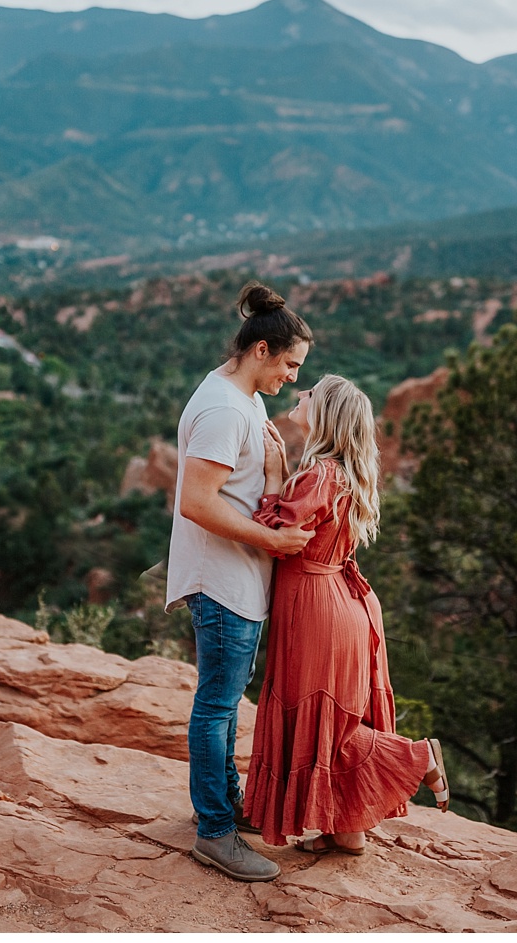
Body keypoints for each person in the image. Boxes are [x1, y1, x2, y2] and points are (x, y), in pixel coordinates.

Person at [244, 374, 449, 857]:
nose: (299, 394)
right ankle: (346, 828)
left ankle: (420, 757)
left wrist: (274, 478)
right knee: (332, 717)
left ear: (326, 414)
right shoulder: (343, 473)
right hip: (341, 601)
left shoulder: (319, 474)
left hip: (317, 609)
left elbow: (273, 533)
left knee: (324, 721)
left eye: (310, 393)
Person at [168, 281, 315, 883]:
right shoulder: (226, 409)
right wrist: (274, 542)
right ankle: (214, 832)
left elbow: (237, 489)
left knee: (226, 705)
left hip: (238, 578)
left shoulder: (241, 394)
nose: (292, 378)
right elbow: (197, 504)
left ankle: (223, 810)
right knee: (217, 705)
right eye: (289, 364)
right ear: (260, 349)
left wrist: (277, 471)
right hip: (222, 579)